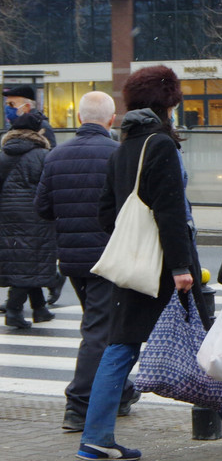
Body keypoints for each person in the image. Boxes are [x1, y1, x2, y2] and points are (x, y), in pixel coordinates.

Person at [81, 66, 222, 461]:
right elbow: (171, 212)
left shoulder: (123, 149)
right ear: (165, 104)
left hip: (134, 268)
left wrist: (133, 244)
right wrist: (179, 268)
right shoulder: (160, 145)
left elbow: (107, 213)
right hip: (166, 269)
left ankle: (96, 436)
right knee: (198, 340)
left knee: (120, 348)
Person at [35, 92, 140, 431]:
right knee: (100, 331)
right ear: (112, 119)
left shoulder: (56, 155)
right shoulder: (118, 154)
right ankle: (78, 405)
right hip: (109, 257)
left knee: (107, 325)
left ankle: (120, 392)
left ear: (79, 118)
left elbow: (43, 208)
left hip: (72, 259)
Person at [1, 112, 57, 329]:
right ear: (37, 133)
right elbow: (48, 187)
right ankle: (14, 310)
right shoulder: (42, 155)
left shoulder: (3, 155)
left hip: (7, 217)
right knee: (30, 262)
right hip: (35, 215)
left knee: (24, 261)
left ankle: (39, 308)